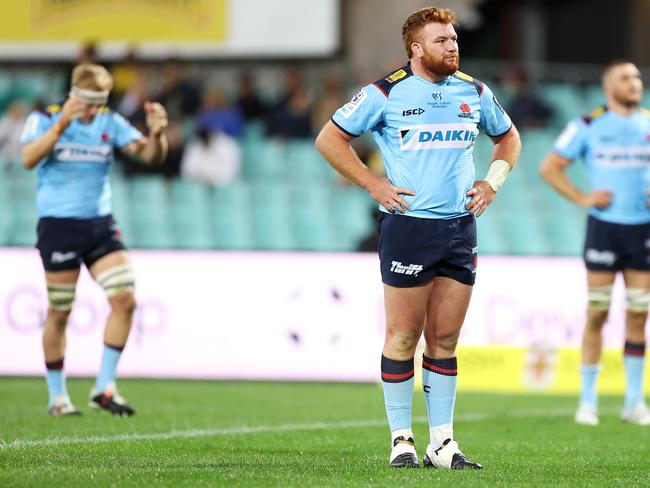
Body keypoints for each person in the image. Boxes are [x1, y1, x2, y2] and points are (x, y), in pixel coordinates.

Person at [315, 6, 520, 469]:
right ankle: (402, 439)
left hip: (459, 228)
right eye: (441, 40)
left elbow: (509, 139)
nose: (452, 46)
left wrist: (492, 183)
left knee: (445, 339)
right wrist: (373, 184)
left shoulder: (473, 91)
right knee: (403, 336)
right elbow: (330, 138)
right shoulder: (384, 93)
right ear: (416, 48)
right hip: (409, 228)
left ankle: (442, 443)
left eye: (453, 38)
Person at [20, 63, 168, 416]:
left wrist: (158, 134)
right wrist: (61, 126)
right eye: (87, 102)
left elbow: (149, 156)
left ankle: (104, 387)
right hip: (58, 225)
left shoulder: (109, 122)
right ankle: (58, 397)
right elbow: (27, 158)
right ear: (73, 94)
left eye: (100, 102)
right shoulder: (43, 118)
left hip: (99, 224)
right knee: (60, 312)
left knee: (126, 299)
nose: (93, 110)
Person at [540, 60, 650, 427]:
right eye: (625, 78)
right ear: (608, 87)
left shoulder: (648, 121)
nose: (633, 83)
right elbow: (550, 167)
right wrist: (583, 197)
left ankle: (634, 401)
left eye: (636, 77)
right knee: (598, 313)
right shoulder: (587, 124)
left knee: (638, 314)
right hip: (605, 229)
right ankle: (588, 401)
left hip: (643, 231)